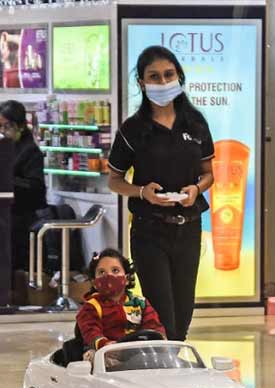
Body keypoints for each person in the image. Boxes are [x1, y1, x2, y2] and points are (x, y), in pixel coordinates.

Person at [107, 46, 214, 342]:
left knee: (183, 311)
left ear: (179, 76)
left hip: (189, 227)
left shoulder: (195, 123)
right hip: (149, 230)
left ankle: (172, 367)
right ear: (142, 83)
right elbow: (114, 180)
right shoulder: (133, 129)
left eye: (168, 75)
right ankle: (162, 371)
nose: (163, 82)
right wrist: (142, 192)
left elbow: (208, 174)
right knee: (161, 313)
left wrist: (196, 189)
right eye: (154, 77)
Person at [77, 249, 166, 362]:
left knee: (161, 357)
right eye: (102, 272)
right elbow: (91, 332)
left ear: (127, 279)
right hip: (103, 352)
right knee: (98, 358)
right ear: (94, 283)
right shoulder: (91, 307)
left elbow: (154, 326)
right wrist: (105, 344)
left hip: (136, 352)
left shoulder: (140, 303)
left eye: (115, 270)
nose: (109, 275)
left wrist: (160, 339)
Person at [0, 100, 47, 273]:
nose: (2, 131)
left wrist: (6, 179)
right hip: (5, 214)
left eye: (6, 126)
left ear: (21, 125)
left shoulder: (30, 152)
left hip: (22, 218)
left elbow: (36, 187)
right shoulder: (4, 147)